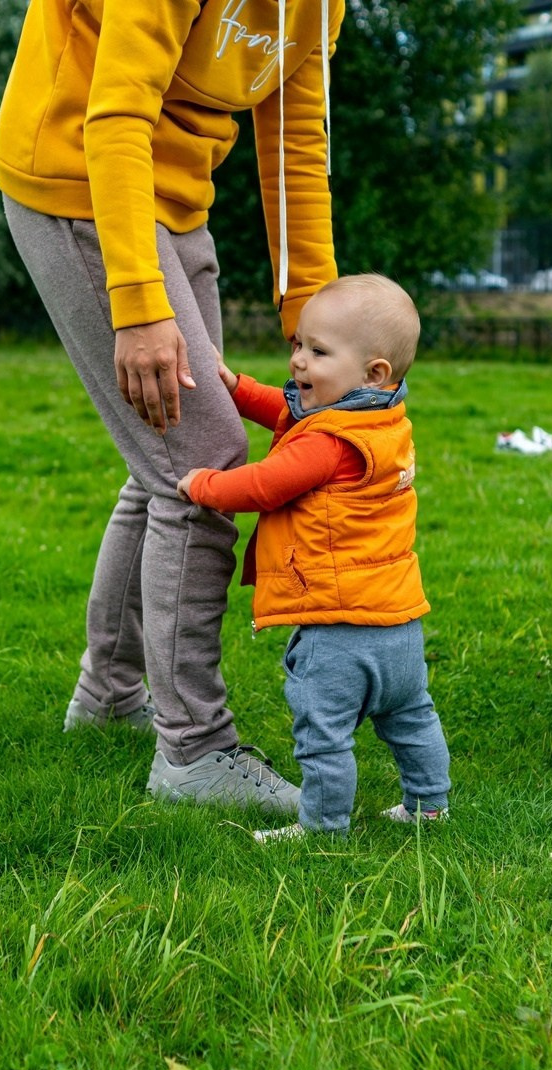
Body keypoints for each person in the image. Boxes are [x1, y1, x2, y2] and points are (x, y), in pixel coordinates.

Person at [0, 0, 346, 813]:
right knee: (200, 465)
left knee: (163, 457)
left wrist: (316, 327)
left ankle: (109, 696)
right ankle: (193, 752)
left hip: (177, 198)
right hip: (81, 179)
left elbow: (296, 142)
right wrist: (138, 302)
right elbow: (114, 112)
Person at [176, 274, 451, 840]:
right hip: (398, 620)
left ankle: (323, 827)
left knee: (323, 732)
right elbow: (291, 407)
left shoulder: (326, 446)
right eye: (298, 344)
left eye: (317, 351)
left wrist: (202, 484)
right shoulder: (381, 421)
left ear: (373, 372)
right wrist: (237, 387)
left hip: (337, 626)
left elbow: (262, 486)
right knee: (410, 716)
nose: (298, 360)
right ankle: (429, 806)